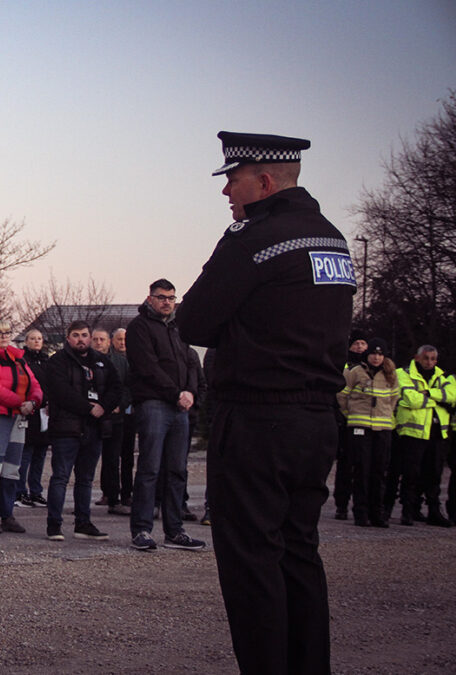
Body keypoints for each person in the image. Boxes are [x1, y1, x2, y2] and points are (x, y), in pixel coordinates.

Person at [177, 131, 355, 673]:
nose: (226, 191)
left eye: (232, 179)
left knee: (252, 561)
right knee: (299, 553)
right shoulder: (332, 239)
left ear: (264, 179)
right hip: (316, 419)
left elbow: (195, 319)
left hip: (259, 419)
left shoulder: (256, 237)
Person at [126, 279, 203, 552]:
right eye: (161, 297)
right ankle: (142, 530)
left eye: (171, 297)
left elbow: (191, 362)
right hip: (154, 404)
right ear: (150, 299)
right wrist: (176, 394)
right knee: (149, 469)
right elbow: (148, 367)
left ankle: (175, 530)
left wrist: (191, 392)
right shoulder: (139, 328)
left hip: (180, 407)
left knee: (177, 470)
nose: (167, 302)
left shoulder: (178, 329)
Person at [43, 320, 121, 541]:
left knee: (85, 479)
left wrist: (103, 408)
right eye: (76, 335)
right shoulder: (57, 361)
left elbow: (117, 387)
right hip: (66, 428)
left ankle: (83, 523)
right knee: (60, 477)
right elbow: (60, 392)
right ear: (68, 338)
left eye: (84, 335)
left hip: (94, 429)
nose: (81, 339)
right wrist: (89, 408)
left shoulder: (102, 362)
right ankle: (54, 525)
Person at [0, 318, 42, 534]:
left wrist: (34, 401)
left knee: (12, 470)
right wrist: (19, 403)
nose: (3, 336)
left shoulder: (18, 359)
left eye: (7, 332)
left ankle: (7, 514)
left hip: (18, 418)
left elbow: (34, 384)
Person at [336, 338, 399, 527]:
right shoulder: (355, 372)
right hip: (360, 427)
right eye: (373, 353)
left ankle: (376, 513)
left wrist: (385, 415)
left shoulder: (390, 374)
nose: (376, 357)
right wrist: (351, 415)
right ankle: (360, 513)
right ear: (367, 355)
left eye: (380, 354)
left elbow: (394, 398)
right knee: (361, 471)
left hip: (383, 428)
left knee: (379, 471)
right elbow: (341, 395)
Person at [393, 345, 453, 527]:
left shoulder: (442, 376)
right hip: (413, 432)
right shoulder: (404, 374)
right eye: (426, 358)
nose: (430, 362)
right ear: (417, 358)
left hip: (436, 433)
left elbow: (453, 395)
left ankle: (434, 511)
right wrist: (438, 400)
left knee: (434, 474)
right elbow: (411, 399)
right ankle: (408, 511)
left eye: (433, 359)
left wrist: (429, 394)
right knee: (411, 473)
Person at [94, 328, 132, 516]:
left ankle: (115, 499)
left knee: (113, 459)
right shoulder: (85, 361)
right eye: (95, 339)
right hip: (91, 416)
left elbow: (127, 387)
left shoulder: (120, 362)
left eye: (102, 339)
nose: (98, 342)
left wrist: (119, 405)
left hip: (115, 417)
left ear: (109, 342)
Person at [334, 331, 369, 519]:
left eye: (363, 343)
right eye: (357, 343)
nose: (360, 347)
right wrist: (346, 415)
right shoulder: (344, 364)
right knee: (346, 464)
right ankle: (342, 503)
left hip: (366, 422)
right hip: (345, 419)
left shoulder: (370, 366)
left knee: (362, 466)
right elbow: (341, 394)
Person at [17, 329, 50, 508]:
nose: (36, 341)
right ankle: (20, 490)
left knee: (41, 453)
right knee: (26, 452)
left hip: (44, 412)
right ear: (26, 341)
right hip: (29, 410)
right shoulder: (22, 360)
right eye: (32, 338)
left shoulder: (47, 361)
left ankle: (36, 491)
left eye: (39, 338)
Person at [111, 328, 136, 507]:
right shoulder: (110, 360)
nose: (122, 342)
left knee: (127, 455)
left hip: (130, 412)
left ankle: (127, 492)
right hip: (114, 413)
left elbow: (131, 386)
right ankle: (110, 492)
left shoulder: (135, 359)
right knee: (111, 456)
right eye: (119, 339)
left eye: (125, 339)